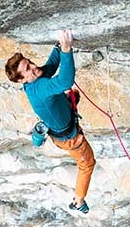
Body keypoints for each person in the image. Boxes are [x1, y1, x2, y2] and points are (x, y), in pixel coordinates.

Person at [5, 30, 96, 213]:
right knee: (87, 164)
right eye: (27, 69)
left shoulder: (34, 78)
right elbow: (65, 81)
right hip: (69, 138)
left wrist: (58, 46)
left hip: (63, 125)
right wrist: (66, 49)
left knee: (71, 95)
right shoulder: (39, 88)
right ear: (22, 79)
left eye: (29, 62)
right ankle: (78, 202)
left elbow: (51, 66)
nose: (33, 66)